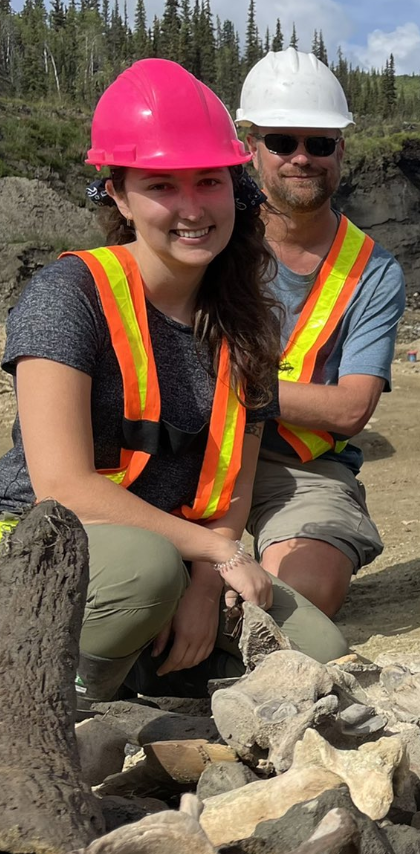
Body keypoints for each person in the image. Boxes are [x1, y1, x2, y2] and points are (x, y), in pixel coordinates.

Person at [0, 59, 348, 704]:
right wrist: (218, 557)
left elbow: (232, 495)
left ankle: (134, 667)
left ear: (233, 188)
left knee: (318, 652)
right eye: (161, 184)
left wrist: (208, 583)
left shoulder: (245, 320)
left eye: (208, 182)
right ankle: (62, 702)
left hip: (174, 560)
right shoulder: (67, 296)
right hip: (37, 549)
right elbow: (63, 486)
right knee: (141, 571)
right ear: (118, 194)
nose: (192, 208)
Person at [236, 49, 406, 618]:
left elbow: (351, 408)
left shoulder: (373, 270)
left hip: (298, 469)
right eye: (282, 142)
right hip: (191, 447)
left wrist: (233, 388)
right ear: (249, 147)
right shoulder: (211, 239)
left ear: (342, 150)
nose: (302, 158)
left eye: (320, 143)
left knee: (307, 593)